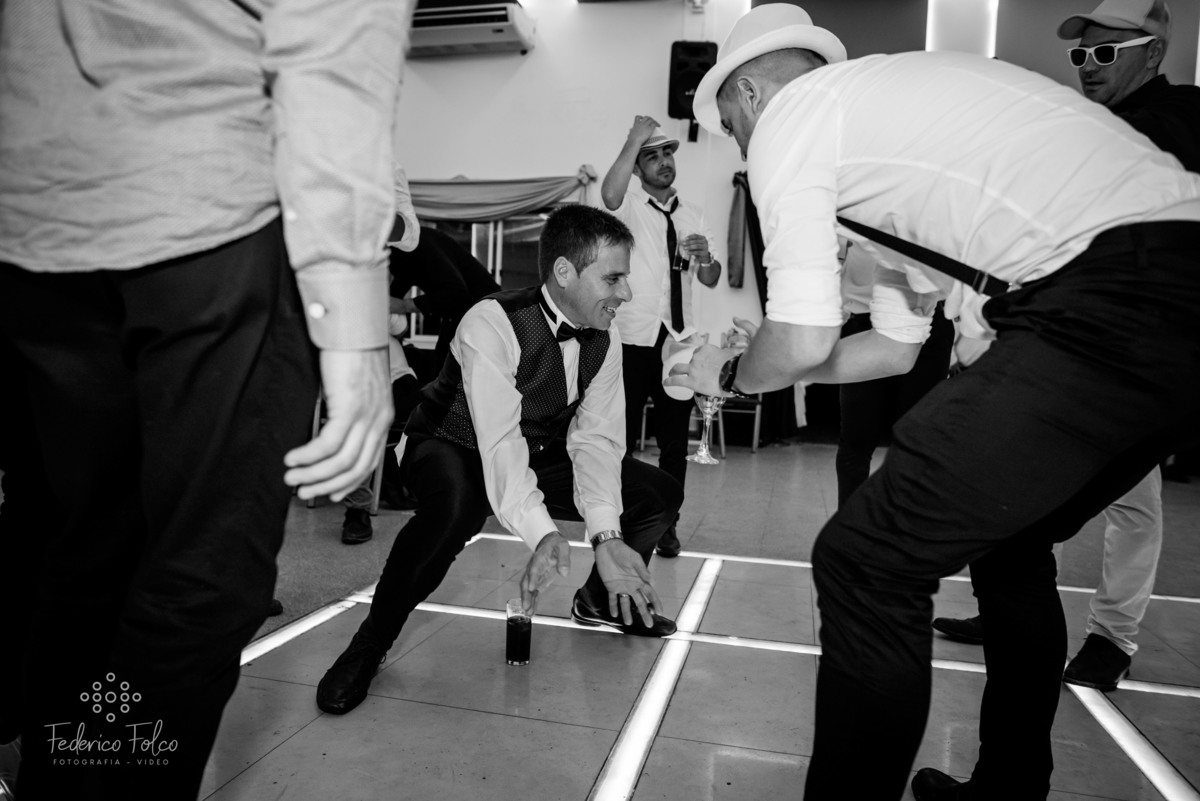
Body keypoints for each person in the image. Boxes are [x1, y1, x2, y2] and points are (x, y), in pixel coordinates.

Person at [674, 5, 1200, 800]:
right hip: (1172, 278)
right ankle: (1007, 788)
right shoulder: (888, 137)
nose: (743, 146)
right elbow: (891, 347)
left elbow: (803, 338)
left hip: (1113, 283)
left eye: (731, 127)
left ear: (749, 94)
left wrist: (726, 372)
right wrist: (772, 364)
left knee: (862, 560)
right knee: (1011, 548)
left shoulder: (793, 117)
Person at [0, 0, 405, 796]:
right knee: (203, 579)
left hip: (35, 219)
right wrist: (355, 327)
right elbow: (333, 45)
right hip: (208, 212)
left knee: (83, 554)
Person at [316, 204, 683, 716]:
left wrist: (606, 537)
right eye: (613, 278)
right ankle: (370, 642)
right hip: (451, 441)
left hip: (535, 447)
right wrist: (543, 534)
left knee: (656, 494)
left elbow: (596, 442)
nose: (627, 293)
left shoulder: (607, 336)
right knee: (455, 509)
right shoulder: (491, 321)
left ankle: (599, 600)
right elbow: (499, 440)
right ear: (564, 272)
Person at [931, 0, 1200, 695]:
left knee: (1126, 509)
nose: (1088, 65)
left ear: (1153, 53)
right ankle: (1011, 608)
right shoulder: (1093, 127)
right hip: (1076, 357)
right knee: (1012, 537)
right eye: (1081, 54)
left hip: (1136, 367)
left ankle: (1112, 636)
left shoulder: (1177, 122)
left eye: (1106, 53)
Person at [600, 117, 722, 558]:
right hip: (633, 338)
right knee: (623, 438)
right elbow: (608, 195)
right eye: (651, 157)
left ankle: (668, 523)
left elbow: (710, 278)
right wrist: (634, 137)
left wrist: (706, 258)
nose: (664, 162)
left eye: (667, 153)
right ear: (638, 168)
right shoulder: (629, 207)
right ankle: (623, 516)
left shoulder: (693, 213)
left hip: (678, 341)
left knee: (674, 441)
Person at [835, 243, 954, 506]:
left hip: (930, 321)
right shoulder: (849, 221)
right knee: (856, 438)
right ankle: (849, 523)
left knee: (917, 438)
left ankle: (903, 522)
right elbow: (834, 262)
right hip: (863, 321)